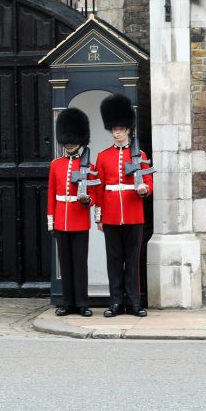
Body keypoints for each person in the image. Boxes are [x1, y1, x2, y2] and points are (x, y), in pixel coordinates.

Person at [91, 93, 152, 318]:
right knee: (114, 260)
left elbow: (148, 181)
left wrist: (145, 189)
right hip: (111, 215)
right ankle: (116, 302)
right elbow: (98, 188)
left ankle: (134, 302)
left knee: (133, 261)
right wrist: (99, 216)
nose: (117, 133)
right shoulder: (103, 156)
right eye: (114, 129)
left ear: (128, 130)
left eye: (121, 129)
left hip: (133, 213)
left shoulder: (140, 154)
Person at [47, 107, 94, 318]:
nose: (69, 144)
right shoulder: (56, 165)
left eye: (73, 140)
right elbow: (51, 195)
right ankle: (67, 303)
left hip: (80, 220)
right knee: (65, 264)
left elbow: (94, 193)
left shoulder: (88, 166)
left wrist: (87, 200)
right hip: (61, 220)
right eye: (67, 141)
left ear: (80, 140)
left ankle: (82, 303)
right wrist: (51, 221)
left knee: (80, 264)